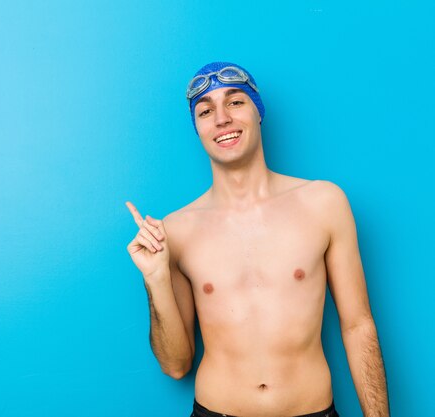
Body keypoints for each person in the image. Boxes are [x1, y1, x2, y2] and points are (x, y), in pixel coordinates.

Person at [125, 61, 390, 417]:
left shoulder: (324, 203)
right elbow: (176, 365)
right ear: (198, 128)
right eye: (205, 111)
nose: (221, 118)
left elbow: (358, 326)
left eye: (235, 102)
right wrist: (155, 278)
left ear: (258, 111)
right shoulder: (177, 229)